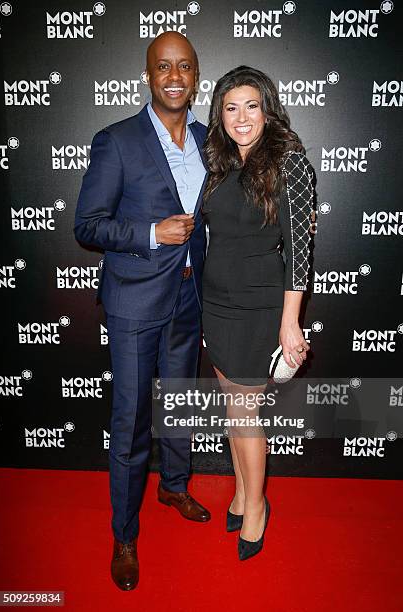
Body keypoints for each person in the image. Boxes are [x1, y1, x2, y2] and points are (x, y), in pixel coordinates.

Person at [74, 32, 210, 591]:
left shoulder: (209, 138)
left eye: (183, 67)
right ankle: (125, 534)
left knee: (178, 402)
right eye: (163, 67)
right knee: (130, 423)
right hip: (133, 301)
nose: (173, 76)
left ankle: (173, 485)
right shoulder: (117, 141)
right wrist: (150, 232)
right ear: (149, 76)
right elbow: (87, 225)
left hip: (190, 296)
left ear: (196, 76)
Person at [202, 66, 314, 560]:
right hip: (216, 304)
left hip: (259, 306)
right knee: (232, 406)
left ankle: (257, 509)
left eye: (251, 106)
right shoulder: (220, 164)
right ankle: (243, 491)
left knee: (246, 413)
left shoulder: (289, 165)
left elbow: (299, 251)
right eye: (231, 107)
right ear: (220, 115)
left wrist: (290, 321)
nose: (241, 117)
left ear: (267, 110)